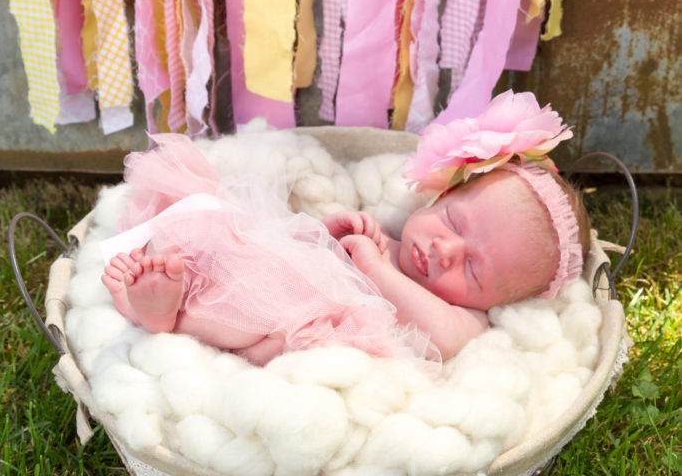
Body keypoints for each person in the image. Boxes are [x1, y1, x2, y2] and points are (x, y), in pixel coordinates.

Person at [101, 91, 590, 365]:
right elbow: (296, 249)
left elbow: (442, 340)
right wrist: (326, 232)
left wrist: (375, 266)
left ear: (493, 302)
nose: (445, 251)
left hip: (294, 323)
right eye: (452, 221)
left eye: (475, 270)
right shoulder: (390, 238)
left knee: (257, 328)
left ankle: (165, 319)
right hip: (275, 268)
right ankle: (166, 275)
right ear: (441, 195)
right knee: (216, 221)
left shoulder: (465, 321)